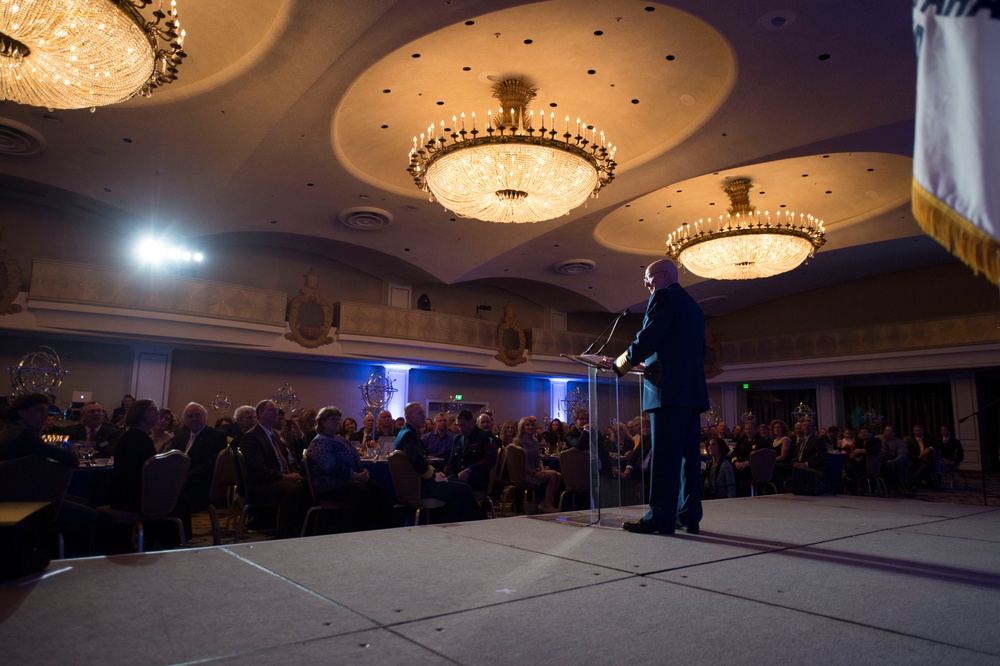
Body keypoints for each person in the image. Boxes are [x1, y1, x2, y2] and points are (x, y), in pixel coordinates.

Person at [609, 259, 709, 535]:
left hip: (667, 393)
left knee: (664, 457)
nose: (646, 284)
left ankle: (661, 518)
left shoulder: (663, 296)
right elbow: (695, 351)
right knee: (689, 458)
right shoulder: (694, 307)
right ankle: (688, 516)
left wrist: (622, 364)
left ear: (664, 275)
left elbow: (647, 338)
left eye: (649, 278)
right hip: (691, 393)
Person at [0, 393, 98, 556]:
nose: (45, 416)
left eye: (46, 411)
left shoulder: (9, 431)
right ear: (22, 413)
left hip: (14, 496)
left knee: (81, 500)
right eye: (39, 410)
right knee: (89, 515)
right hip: (23, 502)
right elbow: (70, 459)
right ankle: (62, 556)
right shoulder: (25, 435)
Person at [305, 406, 395, 531]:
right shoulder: (319, 442)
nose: (338, 422)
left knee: (380, 492)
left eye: (339, 419)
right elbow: (329, 466)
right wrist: (354, 476)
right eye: (333, 419)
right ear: (323, 422)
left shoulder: (338, 438)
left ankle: (385, 530)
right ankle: (360, 531)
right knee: (363, 493)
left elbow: (355, 457)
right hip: (331, 484)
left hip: (349, 479)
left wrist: (362, 472)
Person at [394, 402, 483, 523]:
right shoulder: (409, 435)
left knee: (459, 486)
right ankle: (470, 521)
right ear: (407, 417)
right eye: (419, 413)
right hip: (419, 487)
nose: (423, 416)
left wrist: (435, 473)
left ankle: (472, 521)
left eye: (423, 413)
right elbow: (417, 460)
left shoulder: (404, 432)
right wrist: (433, 476)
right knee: (463, 489)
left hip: (415, 484)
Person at [237, 399, 309, 537]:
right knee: (295, 489)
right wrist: (284, 476)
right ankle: (286, 532)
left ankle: (304, 529)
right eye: (272, 410)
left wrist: (291, 475)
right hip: (261, 485)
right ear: (260, 413)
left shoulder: (273, 435)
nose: (276, 412)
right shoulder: (251, 436)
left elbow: (285, 460)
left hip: (277, 478)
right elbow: (256, 469)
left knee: (309, 483)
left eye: (277, 410)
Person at [170, 402, 228, 530]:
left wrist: (185, 478)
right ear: (185, 420)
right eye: (190, 416)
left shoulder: (216, 436)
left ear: (205, 417)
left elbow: (211, 465)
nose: (194, 419)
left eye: (198, 415)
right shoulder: (179, 438)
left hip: (198, 486)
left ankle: (177, 536)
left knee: (168, 497)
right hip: (177, 484)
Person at [514, 415, 561, 513]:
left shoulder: (534, 441)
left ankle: (545, 502)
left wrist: (542, 469)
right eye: (527, 425)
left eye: (532, 425)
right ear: (522, 426)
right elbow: (521, 464)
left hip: (535, 470)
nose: (530, 427)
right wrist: (535, 473)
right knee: (553, 475)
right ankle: (546, 504)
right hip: (524, 473)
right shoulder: (517, 442)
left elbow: (538, 458)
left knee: (559, 476)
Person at [446, 409, 498, 495]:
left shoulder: (484, 436)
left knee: (451, 491)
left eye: (463, 425)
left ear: (472, 422)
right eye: (458, 426)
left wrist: (470, 470)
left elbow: (490, 458)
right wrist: (450, 475)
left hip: (476, 479)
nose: (460, 429)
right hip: (458, 477)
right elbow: (452, 461)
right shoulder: (457, 438)